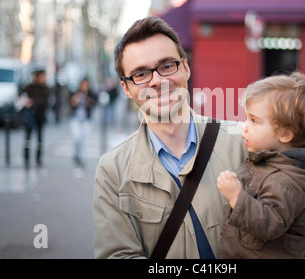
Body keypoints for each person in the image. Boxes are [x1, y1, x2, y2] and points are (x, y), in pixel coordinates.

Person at [93, 16, 247, 259]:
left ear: (185, 68)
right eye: (140, 74)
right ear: (125, 87)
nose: (157, 81)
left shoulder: (243, 143)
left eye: (166, 66)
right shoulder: (112, 171)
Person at [217, 71, 305, 259]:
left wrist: (236, 196)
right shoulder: (275, 162)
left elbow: (269, 223)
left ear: (285, 134)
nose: (244, 126)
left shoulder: (285, 182)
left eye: (254, 121)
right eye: (247, 118)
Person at [19, 69, 50, 168]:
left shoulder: (46, 88)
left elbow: (45, 101)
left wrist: (33, 101)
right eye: (41, 76)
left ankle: (38, 158)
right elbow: (21, 92)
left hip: (40, 116)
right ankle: (26, 158)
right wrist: (25, 101)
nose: (43, 78)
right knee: (27, 138)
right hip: (30, 116)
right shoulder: (30, 87)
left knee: (40, 139)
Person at [70, 77, 97, 167]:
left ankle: (81, 158)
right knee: (77, 137)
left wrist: (88, 101)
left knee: (84, 139)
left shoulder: (90, 94)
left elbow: (94, 103)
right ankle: (76, 153)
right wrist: (75, 101)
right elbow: (70, 103)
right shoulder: (76, 93)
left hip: (87, 119)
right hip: (76, 119)